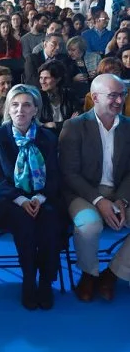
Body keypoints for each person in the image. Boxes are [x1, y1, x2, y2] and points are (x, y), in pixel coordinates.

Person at [0, 83, 63, 310]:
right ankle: (29, 279)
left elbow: (55, 175)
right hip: (9, 199)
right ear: (8, 109)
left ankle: (46, 281)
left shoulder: (48, 137)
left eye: (27, 105)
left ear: (35, 110)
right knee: (24, 221)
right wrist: (22, 200)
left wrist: (39, 198)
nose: (20, 110)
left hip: (42, 197)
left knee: (50, 222)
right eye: (15, 105)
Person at [59, 74, 130, 303]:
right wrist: (100, 201)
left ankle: (113, 273)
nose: (119, 101)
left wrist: (122, 201)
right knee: (89, 226)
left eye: (122, 94)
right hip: (83, 192)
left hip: (120, 192)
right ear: (95, 97)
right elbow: (69, 173)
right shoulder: (74, 126)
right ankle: (89, 274)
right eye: (113, 96)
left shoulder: (129, 127)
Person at [37, 60, 78, 135]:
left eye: (46, 78)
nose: (42, 81)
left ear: (58, 79)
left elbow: (78, 118)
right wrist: (68, 123)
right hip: (46, 136)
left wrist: (55, 125)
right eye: (41, 77)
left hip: (69, 134)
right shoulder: (38, 97)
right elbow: (37, 123)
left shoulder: (69, 94)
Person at [65, 35, 101, 104]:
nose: (70, 53)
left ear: (82, 49)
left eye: (73, 50)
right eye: (69, 50)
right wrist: (73, 79)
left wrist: (96, 75)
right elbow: (63, 80)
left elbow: (102, 75)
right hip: (74, 94)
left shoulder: (95, 57)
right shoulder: (66, 61)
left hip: (92, 92)